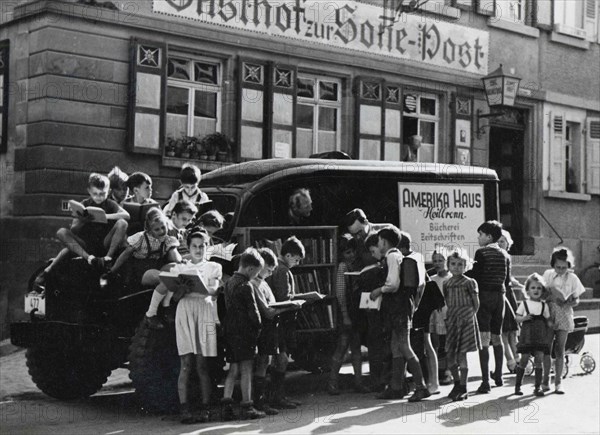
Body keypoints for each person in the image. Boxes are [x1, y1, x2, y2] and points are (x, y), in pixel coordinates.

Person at [34, 173, 130, 289]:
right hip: (85, 245)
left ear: (108, 191)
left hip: (104, 243)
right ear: (89, 191)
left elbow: (126, 215)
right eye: (95, 194)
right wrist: (82, 220)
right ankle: (89, 258)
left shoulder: (110, 204)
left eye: (102, 194)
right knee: (61, 232)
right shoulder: (84, 204)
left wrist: (106, 216)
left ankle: (107, 259)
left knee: (122, 223)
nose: (99, 197)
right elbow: (73, 230)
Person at [370, 227, 430, 402]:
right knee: (397, 346)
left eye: (379, 241)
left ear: (384, 241)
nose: (378, 244)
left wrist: (378, 290)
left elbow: (393, 284)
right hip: (399, 307)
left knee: (403, 345)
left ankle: (421, 387)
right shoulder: (398, 256)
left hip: (397, 308)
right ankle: (396, 387)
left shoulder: (391, 256)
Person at [170, 229, 222, 423]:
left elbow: (214, 290)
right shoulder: (180, 266)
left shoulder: (213, 266)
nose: (198, 250)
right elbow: (174, 298)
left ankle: (206, 407)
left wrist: (200, 287)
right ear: (188, 247)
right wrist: (181, 289)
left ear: (207, 247)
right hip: (185, 312)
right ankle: (184, 409)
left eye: (202, 246)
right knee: (185, 365)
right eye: (195, 246)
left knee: (202, 365)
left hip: (204, 310)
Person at [251, 248, 300, 416]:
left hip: (274, 328)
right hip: (264, 328)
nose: (270, 274)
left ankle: (277, 397)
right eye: (269, 270)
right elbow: (267, 311)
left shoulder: (263, 282)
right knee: (263, 363)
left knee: (281, 360)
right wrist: (288, 306)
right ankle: (260, 401)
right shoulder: (254, 284)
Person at [221, 248, 265, 421]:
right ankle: (247, 406)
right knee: (246, 368)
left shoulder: (229, 283)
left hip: (230, 330)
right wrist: (258, 328)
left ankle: (226, 407)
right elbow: (254, 313)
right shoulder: (246, 286)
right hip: (244, 332)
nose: (256, 276)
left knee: (233, 368)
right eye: (256, 272)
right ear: (250, 269)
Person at [469, 220, 511, 393]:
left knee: (483, 338)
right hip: (499, 297)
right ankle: (499, 375)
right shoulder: (505, 255)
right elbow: (507, 280)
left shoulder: (481, 253)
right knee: (497, 336)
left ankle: (485, 381)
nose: (478, 238)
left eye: (480, 235)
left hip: (485, 297)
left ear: (489, 236)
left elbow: (476, 276)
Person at [328, 234, 370, 395]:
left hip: (357, 311)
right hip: (347, 311)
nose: (351, 255)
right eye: (347, 253)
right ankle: (332, 383)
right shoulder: (343, 267)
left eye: (352, 252)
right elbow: (340, 292)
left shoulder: (356, 266)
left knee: (357, 348)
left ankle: (358, 382)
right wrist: (345, 315)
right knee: (342, 347)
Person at [266, 236, 305, 409]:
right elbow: (283, 297)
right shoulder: (282, 271)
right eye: (296, 259)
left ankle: (277, 396)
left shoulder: (277, 268)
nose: (296, 263)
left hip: (278, 320)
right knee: (281, 359)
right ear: (288, 255)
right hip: (282, 320)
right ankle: (278, 397)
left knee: (280, 358)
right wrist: (300, 300)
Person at [541, 247, 586, 394]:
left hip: (564, 314)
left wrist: (568, 303)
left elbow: (577, 299)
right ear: (553, 265)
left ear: (569, 266)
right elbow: (540, 292)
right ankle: (545, 380)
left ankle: (558, 383)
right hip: (548, 313)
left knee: (560, 349)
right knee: (546, 348)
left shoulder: (573, 278)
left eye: (564, 267)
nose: (560, 270)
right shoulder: (548, 275)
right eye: (557, 267)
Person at [107, 207, 180, 292]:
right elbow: (125, 255)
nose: (161, 231)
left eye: (163, 227)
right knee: (162, 278)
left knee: (176, 270)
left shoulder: (168, 239)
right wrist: (112, 271)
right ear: (149, 230)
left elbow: (175, 257)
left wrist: (180, 262)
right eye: (157, 229)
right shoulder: (141, 238)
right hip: (141, 271)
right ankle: (166, 300)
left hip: (158, 266)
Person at [444, 249, 481, 401]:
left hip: (466, 319)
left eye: (460, 264)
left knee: (462, 355)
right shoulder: (447, 283)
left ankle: (464, 387)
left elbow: (476, 303)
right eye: (453, 264)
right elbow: (447, 300)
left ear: (466, 265)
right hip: (452, 319)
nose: (456, 267)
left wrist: (468, 316)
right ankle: (457, 383)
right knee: (450, 354)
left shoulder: (469, 282)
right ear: (448, 265)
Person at [514, 273, 552, 397]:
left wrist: (553, 325)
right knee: (524, 360)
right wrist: (524, 318)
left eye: (539, 288)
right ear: (528, 290)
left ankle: (537, 388)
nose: (536, 290)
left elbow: (548, 320)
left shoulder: (543, 305)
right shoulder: (524, 304)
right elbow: (517, 317)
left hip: (540, 337)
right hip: (527, 336)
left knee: (539, 360)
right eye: (533, 288)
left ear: (543, 290)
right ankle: (518, 386)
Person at [361, 233, 389, 392]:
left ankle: (381, 380)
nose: (372, 256)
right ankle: (378, 380)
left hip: (382, 313)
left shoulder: (386, 265)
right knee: (377, 346)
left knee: (381, 347)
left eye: (373, 251)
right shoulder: (377, 266)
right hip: (374, 312)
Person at [497, 229, 521, 374]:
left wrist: (518, 284)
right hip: (501, 295)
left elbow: (509, 277)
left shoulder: (507, 257)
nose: (500, 244)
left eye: (502, 241)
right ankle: (510, 361)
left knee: (513, 331)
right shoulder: (497, 257)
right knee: (504, 332)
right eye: (498, 241)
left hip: (509, 295)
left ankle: (518, 359)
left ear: (507, 244)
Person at [428, 249, 453, 386]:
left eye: (440, 260)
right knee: (437, 344)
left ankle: (449, 372)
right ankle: (439, 371)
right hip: (436, 315)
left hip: (449, 314)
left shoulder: (451, 279)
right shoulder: (432, 279)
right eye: (435, 261)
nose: (437, 263)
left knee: (448, 343)